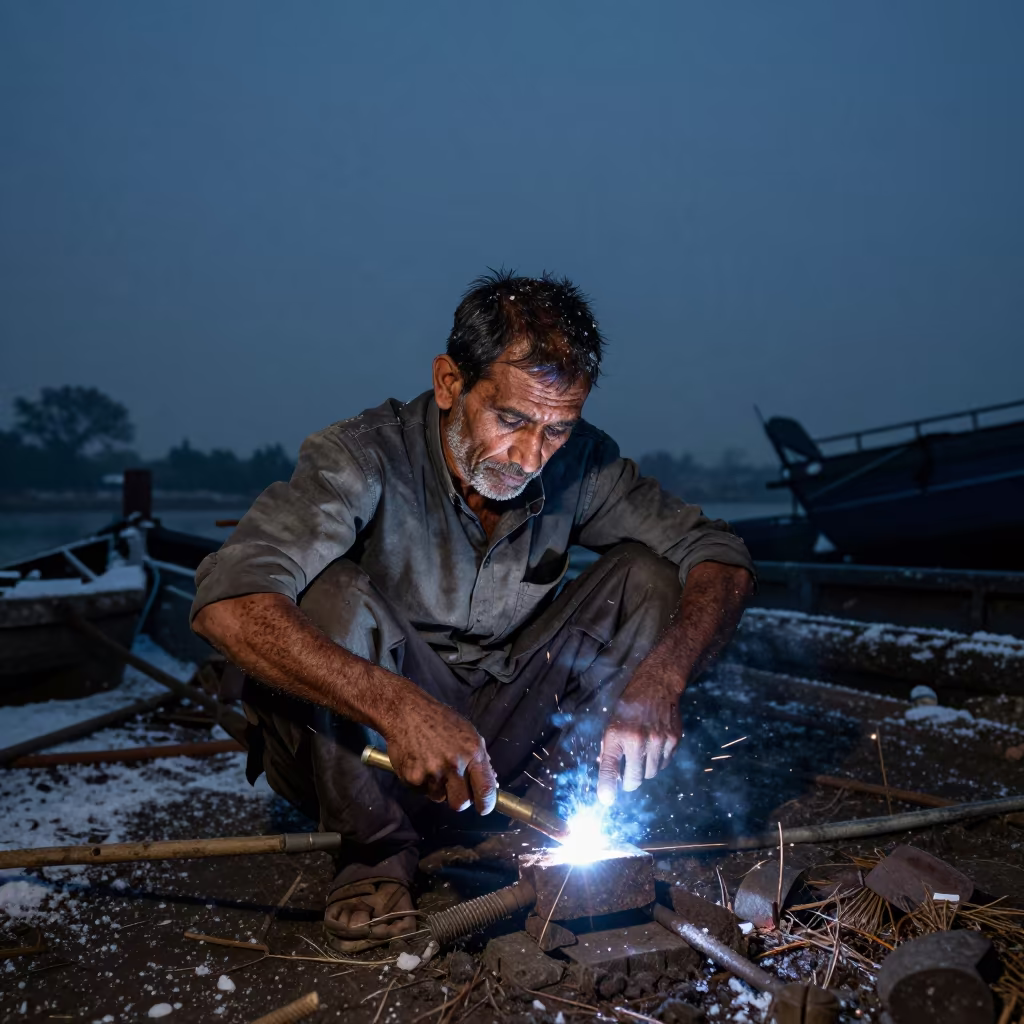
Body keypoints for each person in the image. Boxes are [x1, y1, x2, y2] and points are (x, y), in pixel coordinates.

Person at [191, 270, 755, 951]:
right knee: (329, 594)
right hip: (360, 749)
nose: (528, 457)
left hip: (496, 742)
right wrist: (398, 707)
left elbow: (719, 555)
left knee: (648, 578)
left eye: (555, 431)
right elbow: (226, 606)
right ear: (450, 383)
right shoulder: (361, 456)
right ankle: (374, 853)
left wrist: (662, 679)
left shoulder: (581, 463)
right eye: (510, 419)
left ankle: (544, 826)